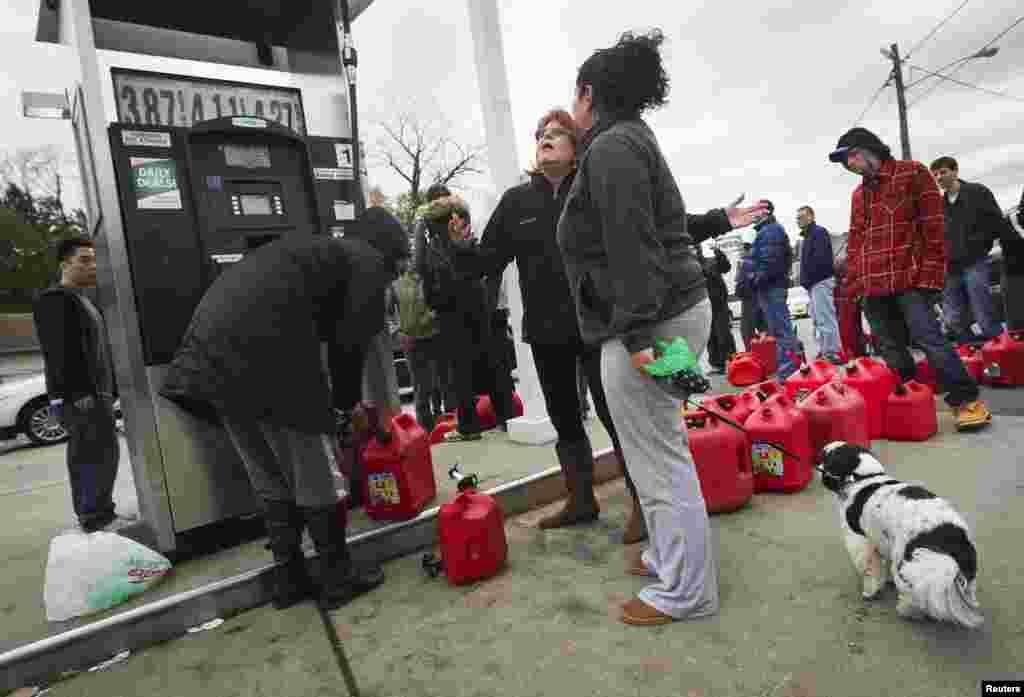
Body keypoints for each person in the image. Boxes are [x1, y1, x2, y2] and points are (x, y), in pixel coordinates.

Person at [558, 29, 769, 625]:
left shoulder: (611, 148)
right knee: (659, 446)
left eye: (575, 97)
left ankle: (687, 591)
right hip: (665, 313)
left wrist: (638, 339)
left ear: (588, 93)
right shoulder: (629, 138)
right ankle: (672, 558)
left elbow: (631, 249)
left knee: (656, 456)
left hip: (649, 321)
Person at [159, 208, 410, 611]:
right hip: (267, 359)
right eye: (397, 267)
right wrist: (346, 408)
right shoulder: (365, 260)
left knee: (271, 477)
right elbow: (350, 344)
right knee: (315, 473)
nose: (393, 278)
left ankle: (289, 580)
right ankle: (336, 578)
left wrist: (340, 403)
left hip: (209, 366)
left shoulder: (316, 254)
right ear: (387, 252)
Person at [828, 127, 992, 431]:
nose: (849, 165)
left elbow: (935, 229)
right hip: (873, 283)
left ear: (870, 149)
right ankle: (911, 399)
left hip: (910, 278)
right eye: (844, 162)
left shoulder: (913, 173)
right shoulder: (859, 195)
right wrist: (855, 283)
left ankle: (967, 401)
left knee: (930, 339)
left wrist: (930, 278)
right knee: (889, 346)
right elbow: (856, 241)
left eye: (852, 156)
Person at [33, 238, 129, 533]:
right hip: (81, 398)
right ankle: (94, 517)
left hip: (96, 394)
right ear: (65, 264)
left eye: (93, 260)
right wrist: (78, 393)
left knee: (103, 454)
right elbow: (58, 351)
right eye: (84, 260)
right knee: (90, 456)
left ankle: (100, 512)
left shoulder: (82, 300)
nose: (92, 266)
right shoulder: (55, 300)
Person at [419, 195, 517, 442]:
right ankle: (507, 417)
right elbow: (485, 267)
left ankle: (469, 426)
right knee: (493, 365)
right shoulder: (469, 244)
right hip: (478, 309)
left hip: (451, 317)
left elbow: (431, 289)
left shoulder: (434, 250)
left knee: (460, 373)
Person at [929, 156, 1007, 343]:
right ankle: (970, 349)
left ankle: (999, 348)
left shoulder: (977, 192)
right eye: (935, 175)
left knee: (983, 311)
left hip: (975, 262)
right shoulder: (939, 204)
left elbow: (995, 221)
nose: (939, 178)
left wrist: (979, 246)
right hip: (950, 268)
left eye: (943, 172)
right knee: (953, 317)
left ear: (955, 171)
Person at [750, 201, 802, 380]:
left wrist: (755, 278)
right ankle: (790, 369)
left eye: (756, 210)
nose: (752, 214)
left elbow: (769, 262)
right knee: (780, 330)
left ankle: (789, 374)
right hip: (771, 286)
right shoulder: (768, 230)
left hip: (771, 287)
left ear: (765, 213)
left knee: (781, 331)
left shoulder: (770, 231)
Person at [797, 205, 842, 363]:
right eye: (797, 218)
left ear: (811, 216)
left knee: (825, 318)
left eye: (801, 217)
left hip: (820, 281)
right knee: (818, 319)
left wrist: (809, 278)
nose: (798, 220)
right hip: (814, 284)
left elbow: (821, 260)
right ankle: (825, 351)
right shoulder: (808, 236)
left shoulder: (818, 232)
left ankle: (831, 352)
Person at [702, 243, 736, 374]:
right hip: (706, 304)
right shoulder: (695, 263)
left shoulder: (712, 260)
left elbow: (726, 267)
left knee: (723, 333)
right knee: (711, 336)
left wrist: (718, 251)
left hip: (719, 303)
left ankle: (732, 361)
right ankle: (717, 364)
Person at [832, 233, 866, 360]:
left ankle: (854, 351)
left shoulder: (845, 262)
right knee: (853, 327)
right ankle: (857, 351)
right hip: (849, 298)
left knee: (850, 328)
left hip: (848, 298)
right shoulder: (848, 262)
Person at [734, 230, 766, 350]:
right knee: (763, 328)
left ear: (746, 249)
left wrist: (739, 290)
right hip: (757, 299)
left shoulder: (746, 264)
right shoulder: (755, 262)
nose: (739, 252)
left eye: (741, 249)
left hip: (749, 301)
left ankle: (753, 353)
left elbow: (741, 285)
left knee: (747, 331)